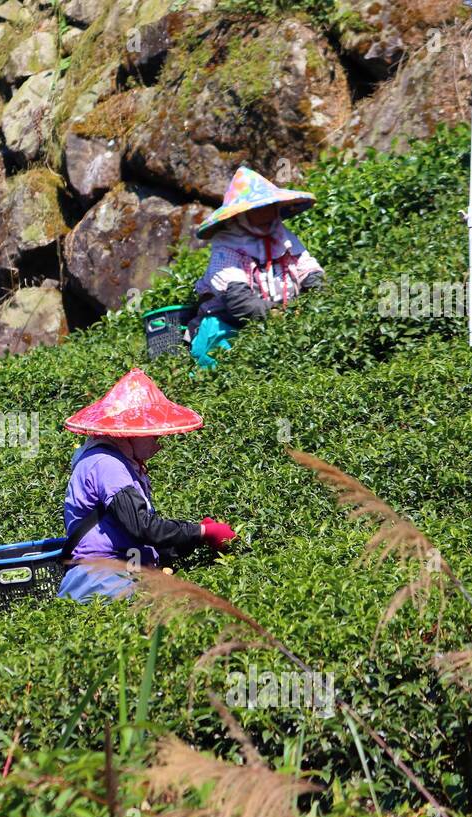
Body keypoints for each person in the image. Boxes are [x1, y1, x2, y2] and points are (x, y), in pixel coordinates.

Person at [56, 369, 236, 603]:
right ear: (128, 433)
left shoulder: (122, 461)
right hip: (101, 581)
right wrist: (201, 532)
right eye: (153, 434)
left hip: (122, 571)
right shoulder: (107, 464)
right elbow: (142, 527)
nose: (158, 443)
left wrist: (189, 540)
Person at [188, 166, 327, 368]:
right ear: (242, 215)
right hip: (233, 327)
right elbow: (238, 299)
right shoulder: (226, 247)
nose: (266, 215)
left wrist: (319, 304)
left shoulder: (282, 237)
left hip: (280, 326)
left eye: (269, 207)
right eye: (257, 209)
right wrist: (278, 315)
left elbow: (308, 269)